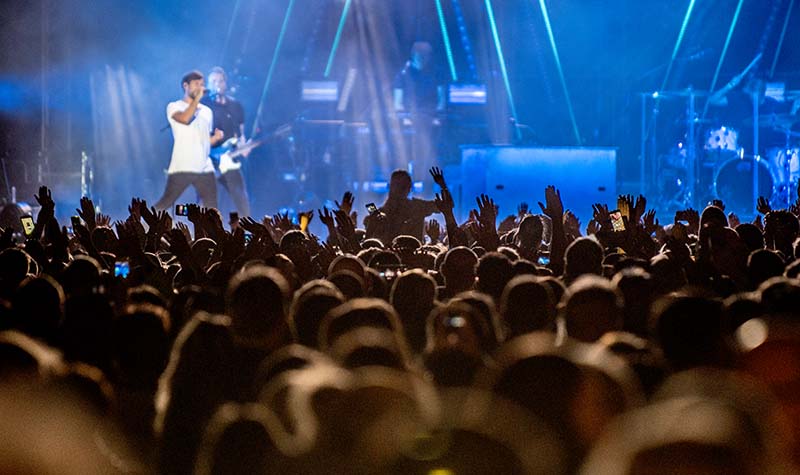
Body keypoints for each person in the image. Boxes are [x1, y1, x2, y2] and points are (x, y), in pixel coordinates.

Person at [154, 71, 223, 211]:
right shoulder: (174, 106)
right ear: (185, 86)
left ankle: (212, 233)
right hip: (183, 165)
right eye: (196, 84)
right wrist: (196, 101)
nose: (200, 88)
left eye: (202, 84)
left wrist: (215, 138)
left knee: (212, 208)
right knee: (165, 202)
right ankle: (140, 227)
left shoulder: (207, 111)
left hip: (205, 166)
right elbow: (185, 119)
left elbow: (204, 140)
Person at [392, 41, 446, 190]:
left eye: (425, 56)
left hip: (430, 116)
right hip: (410, 116)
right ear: (413, 55)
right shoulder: (403, 74)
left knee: (429, 141)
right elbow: (397, 102)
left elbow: (442, 99)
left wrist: (438, 116)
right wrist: (405, 117)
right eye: (419, 55)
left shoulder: (437, 73)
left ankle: (427, 178)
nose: (422, 59)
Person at [202, 67, 252, 217]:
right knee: (207, 203)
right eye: (214, 81)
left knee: (241, 198)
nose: (218, 84)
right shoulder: (203, 106)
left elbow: (240, 134)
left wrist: (244, 147)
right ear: (208, 85)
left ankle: (246, 233)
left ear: (226, 83)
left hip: (229, 160)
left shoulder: (235, 106)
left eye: (221, 81)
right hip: (209, 160)